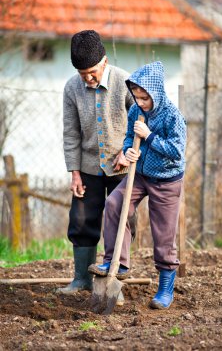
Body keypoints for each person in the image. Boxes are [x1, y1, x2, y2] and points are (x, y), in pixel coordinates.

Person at [89, 61, 187, 309]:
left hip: (166, 180)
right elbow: (127, 140)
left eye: (145, 98)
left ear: (156, 93)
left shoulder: (172, 116)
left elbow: (176, 152)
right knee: (114, 203)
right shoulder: (136, 112)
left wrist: (149, 136)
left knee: (163, 234)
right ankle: (115, 261)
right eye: (137, 97)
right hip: (141, 174)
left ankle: (165, 286)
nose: (140, 102)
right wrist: (128, 152)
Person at [57, 30, 134, 294]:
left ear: (104, 62)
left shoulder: (126, 82)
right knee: (81, 220)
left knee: (120, 221)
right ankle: (81, 279)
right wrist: (74, 172)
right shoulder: (71, 88)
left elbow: (140, 123)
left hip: (121, 169)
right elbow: (71, 132)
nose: (88, 78)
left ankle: (114, 283)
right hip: (88, 167)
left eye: (92, 72)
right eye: (82, 74)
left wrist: (127, 151)